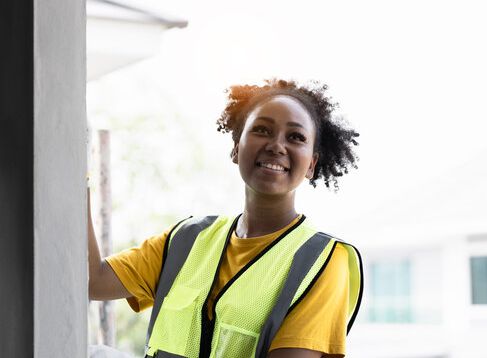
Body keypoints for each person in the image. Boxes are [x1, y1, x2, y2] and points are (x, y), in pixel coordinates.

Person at [88, 78, 363, 358]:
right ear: (236, 147)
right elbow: (91, 281)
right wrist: (78, 176)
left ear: (312, 164)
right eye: (262, 130)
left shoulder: (323, 261)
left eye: (295, 137)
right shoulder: (186, 239)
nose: (276, 146)